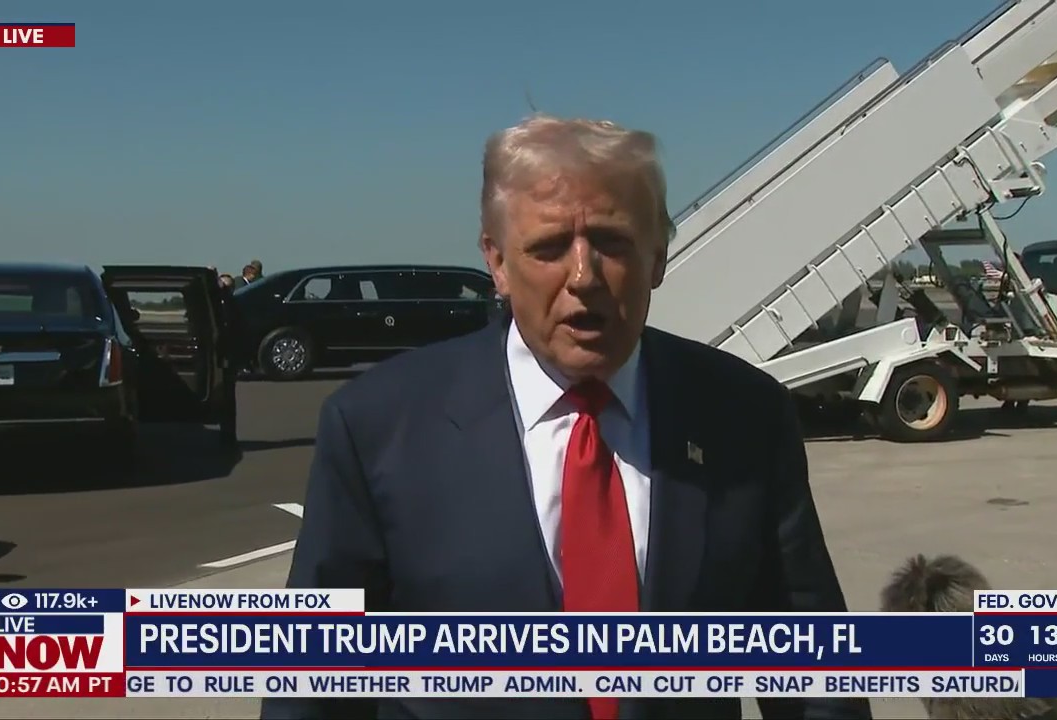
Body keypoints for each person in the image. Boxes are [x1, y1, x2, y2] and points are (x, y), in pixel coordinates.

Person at [262, 114, 867, 720]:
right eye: (550, 248)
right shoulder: (377, 426)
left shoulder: (744, 413)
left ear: (658, 256)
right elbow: (313, 685)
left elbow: (814, 673)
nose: (584, 277)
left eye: (612, 242)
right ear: (497, 263)